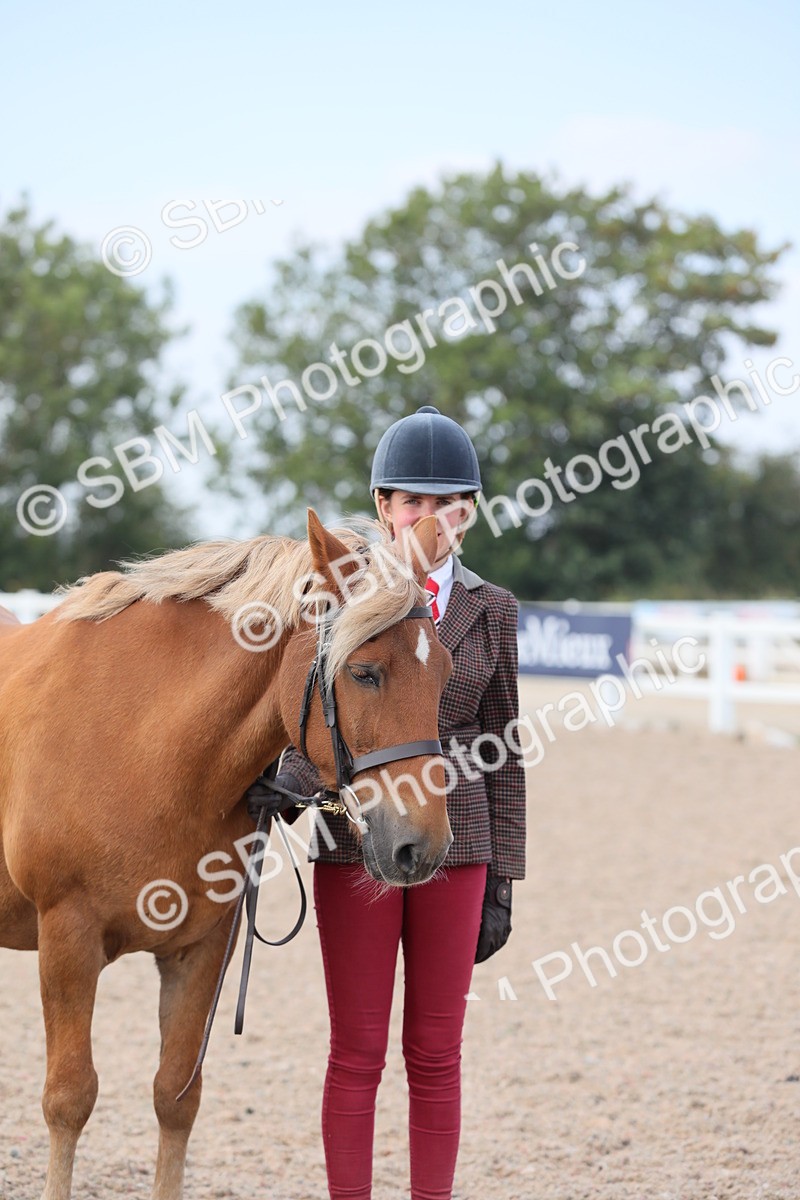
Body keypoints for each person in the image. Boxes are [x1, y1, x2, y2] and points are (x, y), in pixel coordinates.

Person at [248, 405, 526, 1200]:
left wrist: (504, 879)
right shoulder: (335, 601)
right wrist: (293, 781)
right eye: (413, 502)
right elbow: (307, 713)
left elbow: (506, 749)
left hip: (457, 844)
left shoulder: (492, 610)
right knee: (357, 1052)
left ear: (469, 512)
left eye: (448, 504)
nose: (430, 517)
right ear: (382, 506)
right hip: (353, 840)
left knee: (436, 1054)